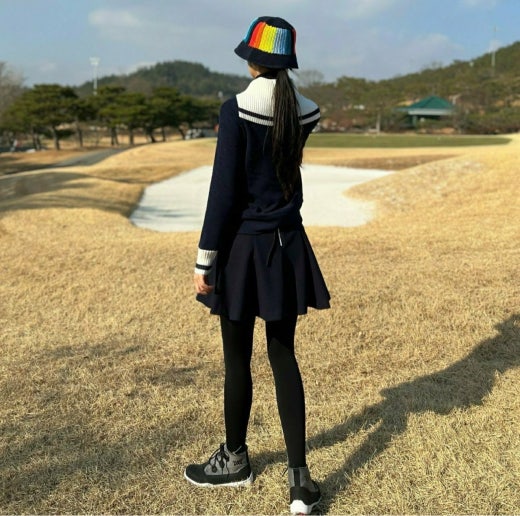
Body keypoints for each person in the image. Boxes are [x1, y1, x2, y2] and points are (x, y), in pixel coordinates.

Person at [184, 16, 330, 515]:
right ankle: (300, 481)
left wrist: (205, 258)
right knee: (284, 357)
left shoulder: (236, 109)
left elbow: (223, 194)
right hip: (289, 246)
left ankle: (235, 461)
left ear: (253, 59)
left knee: (237, 359)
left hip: (243, 250)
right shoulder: (306, 111)